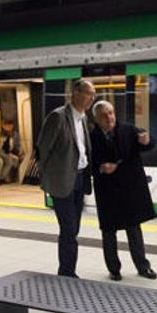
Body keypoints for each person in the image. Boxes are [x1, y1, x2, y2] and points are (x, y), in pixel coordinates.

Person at [89, 100, 157, 281]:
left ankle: (143, 266)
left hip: (129, 189)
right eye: (104, 115)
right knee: (109, 232)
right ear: (96, 119)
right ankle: (114, 269)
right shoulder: (91, 137)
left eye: (111, 113)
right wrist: (101, 168)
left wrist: (147, 140)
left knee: (134, 229)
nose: (109, 117)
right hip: (108, 192)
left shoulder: (128, 130)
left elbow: (149, 144)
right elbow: (86, 163)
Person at [37, 79, 96, 277]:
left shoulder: (83, 118)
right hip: (62, 182)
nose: (92, 98)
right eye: (89, 93)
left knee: (74, 227)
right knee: (69, 228)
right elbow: (43, 149)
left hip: (80, 179)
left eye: (93, 95)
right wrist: (48, 180)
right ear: (76, 93)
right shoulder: (58, 117)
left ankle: (68, 269)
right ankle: (67, 271)